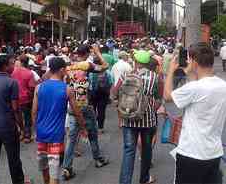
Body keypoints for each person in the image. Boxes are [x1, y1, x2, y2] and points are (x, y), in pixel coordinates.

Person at [164, 42, 226, 184]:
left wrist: (170, 71)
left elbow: (167, 96)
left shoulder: (195, 88)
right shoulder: (222, 85)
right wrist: (191, 71)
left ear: (194, 61)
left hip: (191, 154)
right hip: (213, 153)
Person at [32, 57, 86, 184]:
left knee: (44, 166)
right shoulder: (67, 89)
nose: (66, 72)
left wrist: (36, 130)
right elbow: (77, 112)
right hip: (56, 136)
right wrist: (83, 127)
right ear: (61, 70)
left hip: (41, 134)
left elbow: (34, 112)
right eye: (65, 70)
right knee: (54, 172)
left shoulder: (39, 88)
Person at [62, 44, 109, 180]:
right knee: (92, 133)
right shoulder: (87, 65)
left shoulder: (69, 66)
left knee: (71, 138)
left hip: (72, 106)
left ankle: (67, 167)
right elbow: (105, 66)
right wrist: (98, 53)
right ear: (87, 53)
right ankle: (98, 159)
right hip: (84, 106)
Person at [0, 55, 30, 184]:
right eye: (11, 64)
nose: (13, 67)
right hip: (7, 127)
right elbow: (16, 108)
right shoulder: (12, 82)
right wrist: (21, 127)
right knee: (14, 159)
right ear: (5, 66)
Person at [119, 50, 160, 184]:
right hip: (147, 120)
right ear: (147, 63)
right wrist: (152, 108)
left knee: (128, 151)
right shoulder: (155, 77)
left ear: (136, 62)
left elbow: (114, 91)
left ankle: (125, 181)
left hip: (128, 118)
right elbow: (159, 98)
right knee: (146, 151)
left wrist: (120, 109)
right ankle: (144, 179)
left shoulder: (126, 75)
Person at [12, 55, 36, 143]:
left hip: (15, 98)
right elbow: (32, 87)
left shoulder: (13, 72)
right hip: (26, 99)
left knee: (17, 116)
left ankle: (21, 132)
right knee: (27, 117)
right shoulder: (29, 73)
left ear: (20, 62)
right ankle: (27, 136)